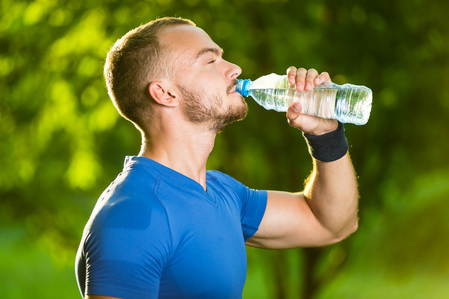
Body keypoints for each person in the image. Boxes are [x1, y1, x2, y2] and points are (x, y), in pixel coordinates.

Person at [75, 17, 359, 299]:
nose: (234, 69)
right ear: (165, 93)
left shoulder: (223, 193)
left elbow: (332, 224)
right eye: (210, 62)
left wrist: (326, 134)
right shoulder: (135, 216)